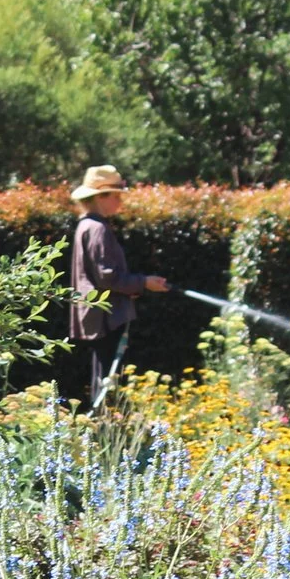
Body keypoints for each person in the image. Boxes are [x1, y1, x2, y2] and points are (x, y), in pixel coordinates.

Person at [67, 165, 169, 405]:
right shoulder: (96, 229)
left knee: (104, 377)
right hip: (106, 318)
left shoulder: (88, 225)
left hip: (101, 314)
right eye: (116, 196)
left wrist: (133, 288)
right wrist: (144, 283)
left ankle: (104, 430)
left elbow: (103, 279)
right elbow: (107, 277)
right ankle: (103, 432)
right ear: (100, 197)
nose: (120, 202)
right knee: (106, 379)